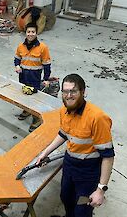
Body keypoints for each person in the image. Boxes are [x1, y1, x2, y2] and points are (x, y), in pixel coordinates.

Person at [36, 74, 115, 217]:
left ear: (83, 92)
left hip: (88, 173)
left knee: (82, 210)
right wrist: (45, 153)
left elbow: (108, 156)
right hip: (69, 165)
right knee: (66, 198)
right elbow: (63, 134)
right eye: (65, 91)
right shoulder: (64, 111)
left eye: (73, 91)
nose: (68, 95)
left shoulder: (97, 118)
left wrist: (100, 190)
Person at [14, 22, 52, 132]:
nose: (30, 34)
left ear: (36, 33)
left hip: (35, 78)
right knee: (24, 95)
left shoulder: (43, 48)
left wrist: (46, 79)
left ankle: (37, 119)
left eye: (33, 32)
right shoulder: (21, 47)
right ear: (25, 33)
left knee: (35, 98)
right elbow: (17, 58)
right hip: (23, 77)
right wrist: (17, 66)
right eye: (28, 32)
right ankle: (27, 111)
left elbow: (47, 65)